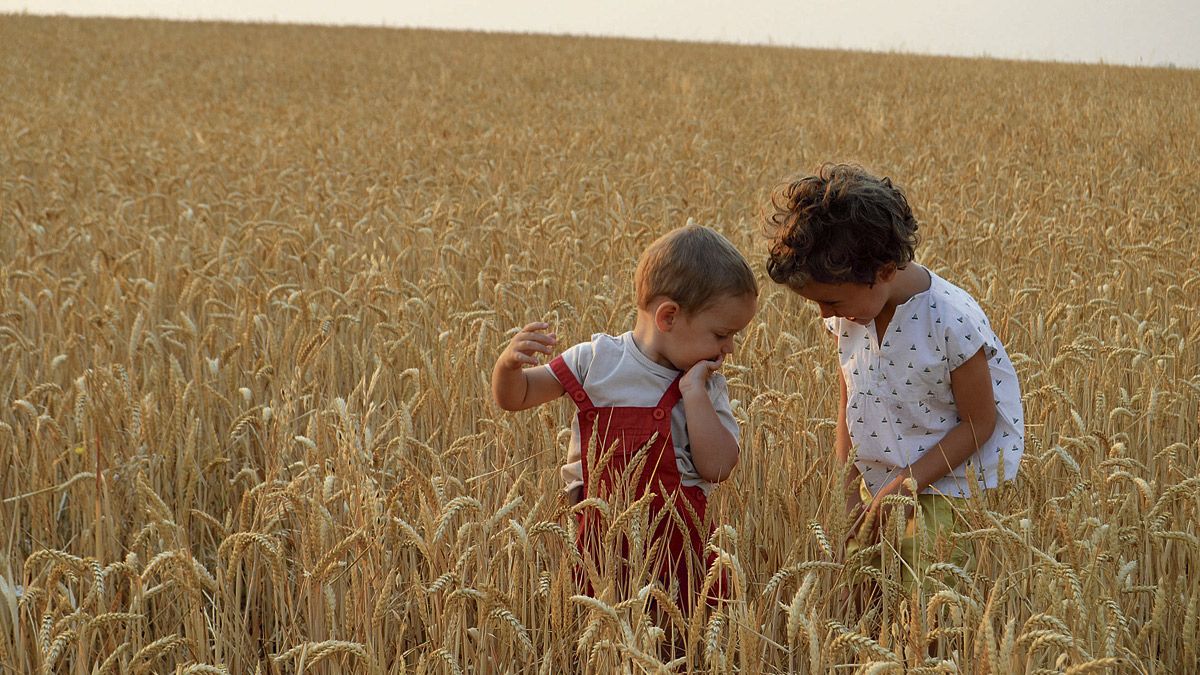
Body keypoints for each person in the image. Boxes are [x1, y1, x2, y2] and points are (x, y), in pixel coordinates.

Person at [765, 164, 1024, 590]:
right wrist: (848, 493)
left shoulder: (951, 321)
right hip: (876, 490)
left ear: (883, 270)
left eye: (829, 300)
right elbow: (849, 404)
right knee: (866, 594)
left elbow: (980, 421)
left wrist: (908, 486)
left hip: (947, 494)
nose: (824, 315)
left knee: (930, 607)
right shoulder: (850, 316)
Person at [492, 223, 758, 610]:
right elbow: (518, 397)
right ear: (667, 316)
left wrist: (694, 393)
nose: (729, 348)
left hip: (681, 553)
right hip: (599, 549)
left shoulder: (705, 383)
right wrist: (507, 367)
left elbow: (718, 467)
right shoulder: (594, 361)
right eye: (721, 334)